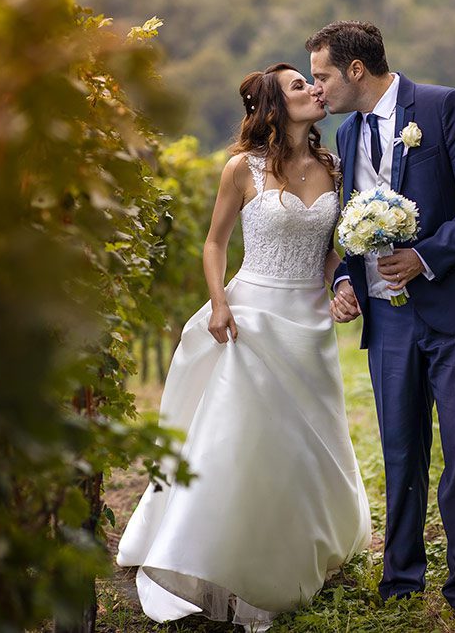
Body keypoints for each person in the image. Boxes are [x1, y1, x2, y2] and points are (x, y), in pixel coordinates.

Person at [116, 63, 371, 631]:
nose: (312, 88)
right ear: (275, 108)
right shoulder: (242, 169)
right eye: (298, 85)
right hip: (251, 316)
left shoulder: (333, 166)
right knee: (247, 441)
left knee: (311, 442)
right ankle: (222, 560)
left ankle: (298, 552)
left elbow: (331, 252)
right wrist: (219, 301)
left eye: (310, 82)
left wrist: (345, 282)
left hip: (309, 325)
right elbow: (214, 243)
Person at [306, 21, 455, 612]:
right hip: (390, 319)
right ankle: (401, 581)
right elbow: (351, 224)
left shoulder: (444, 107)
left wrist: (425, 257)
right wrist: (347, 280)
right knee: (400, 449)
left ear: (354, 70)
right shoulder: (345, 135)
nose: (316, 90)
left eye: (321, 77)